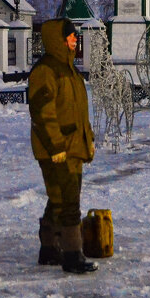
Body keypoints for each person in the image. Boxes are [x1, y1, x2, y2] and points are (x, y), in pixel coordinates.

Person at [28, 18, 97, 274]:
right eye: (69, 37)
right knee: (69, 201)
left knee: (58, 198)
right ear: (58, 39)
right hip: (57, 150)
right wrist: (56, 146)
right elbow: (42, 113)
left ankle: (48, 250)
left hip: (73, 147)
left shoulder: (70, 71)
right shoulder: (46, 70)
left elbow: (79, 112)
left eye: (74, 36)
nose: (74, 40)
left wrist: (88, 139)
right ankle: (71, 254)